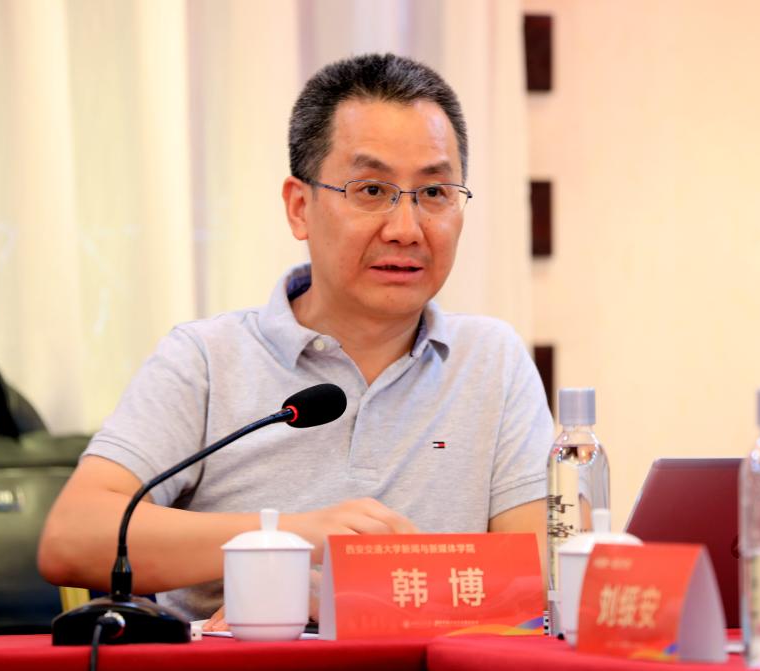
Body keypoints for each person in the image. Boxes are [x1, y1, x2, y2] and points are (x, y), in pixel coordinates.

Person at [38, 53, 553, 626]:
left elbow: (540, 575)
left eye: (434, 193)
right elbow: (73, 537)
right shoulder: (207, 358)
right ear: (299, 207)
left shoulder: (491, 360)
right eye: (371, 189)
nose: (406, 229)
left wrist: (344, 597)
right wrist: (286, 540)